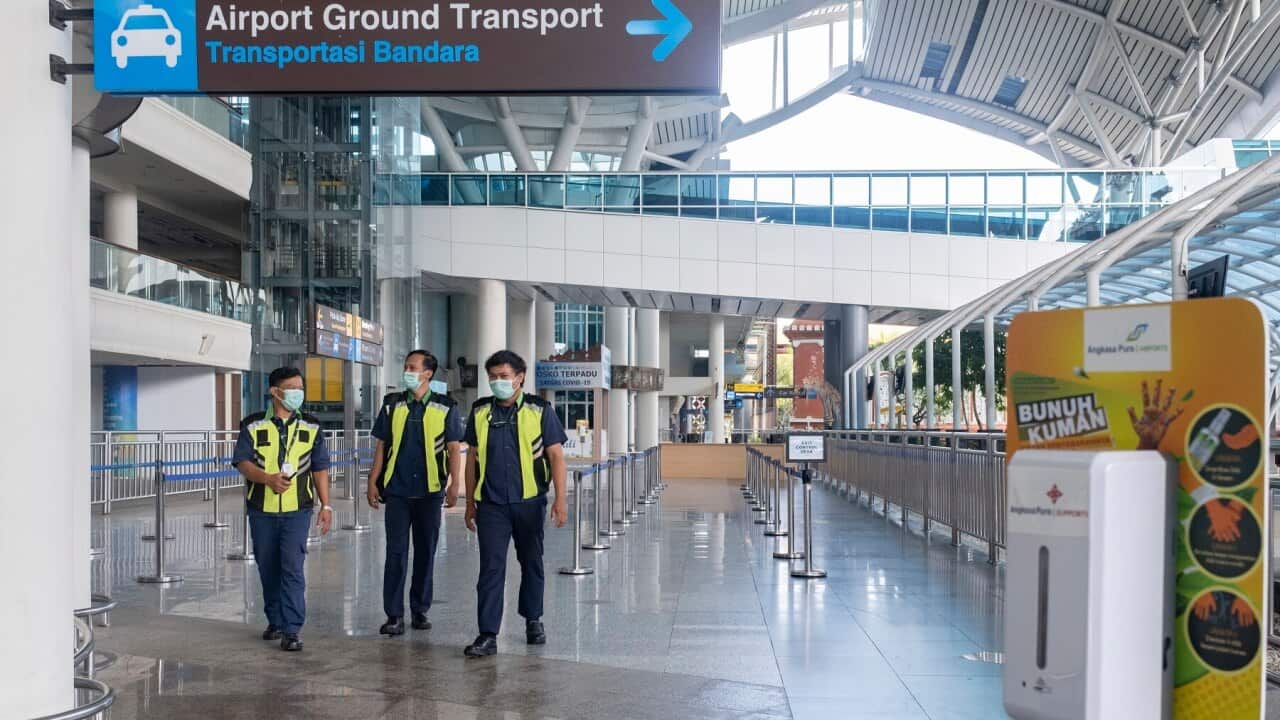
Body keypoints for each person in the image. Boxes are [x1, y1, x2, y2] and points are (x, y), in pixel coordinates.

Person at [461, 350, 568, 657]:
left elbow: (556, 456)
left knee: (531, 563)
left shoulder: (539, 410)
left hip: (529, 502)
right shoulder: (481, 411)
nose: (498, 382)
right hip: (491, 505)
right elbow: (472, 460)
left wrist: (560, 500)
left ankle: (533, 620)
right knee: (491, 568)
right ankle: (488, 633)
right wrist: (469, 502)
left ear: (520, 377)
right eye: (492, 377)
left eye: (504, 376)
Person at [232, 366, 332, 652]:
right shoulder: (252, 425)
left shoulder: (311, 426)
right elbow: (242, 462)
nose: (297, 393)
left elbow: (320, 467)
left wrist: (326, 505)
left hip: (298, 510)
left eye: (301, 388)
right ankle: (274, 619)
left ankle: (291, 629)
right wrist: (267, 479)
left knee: (292, 567)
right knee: (268, 566)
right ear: (275, 392)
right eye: (291, 388)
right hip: (261, 510)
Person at [367, 350, 464, 636]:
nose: (407, 371)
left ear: (428, 374)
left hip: (429, 492)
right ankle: (394, 614)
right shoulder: (392, 404)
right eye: (406, 366)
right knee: (395, 553)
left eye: (412, 367)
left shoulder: (446, 406)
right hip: (396, 492)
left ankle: (420, 609)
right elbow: (382, 446)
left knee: (425, 552)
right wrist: (373, 480)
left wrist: (454, 484)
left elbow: (453, 447)